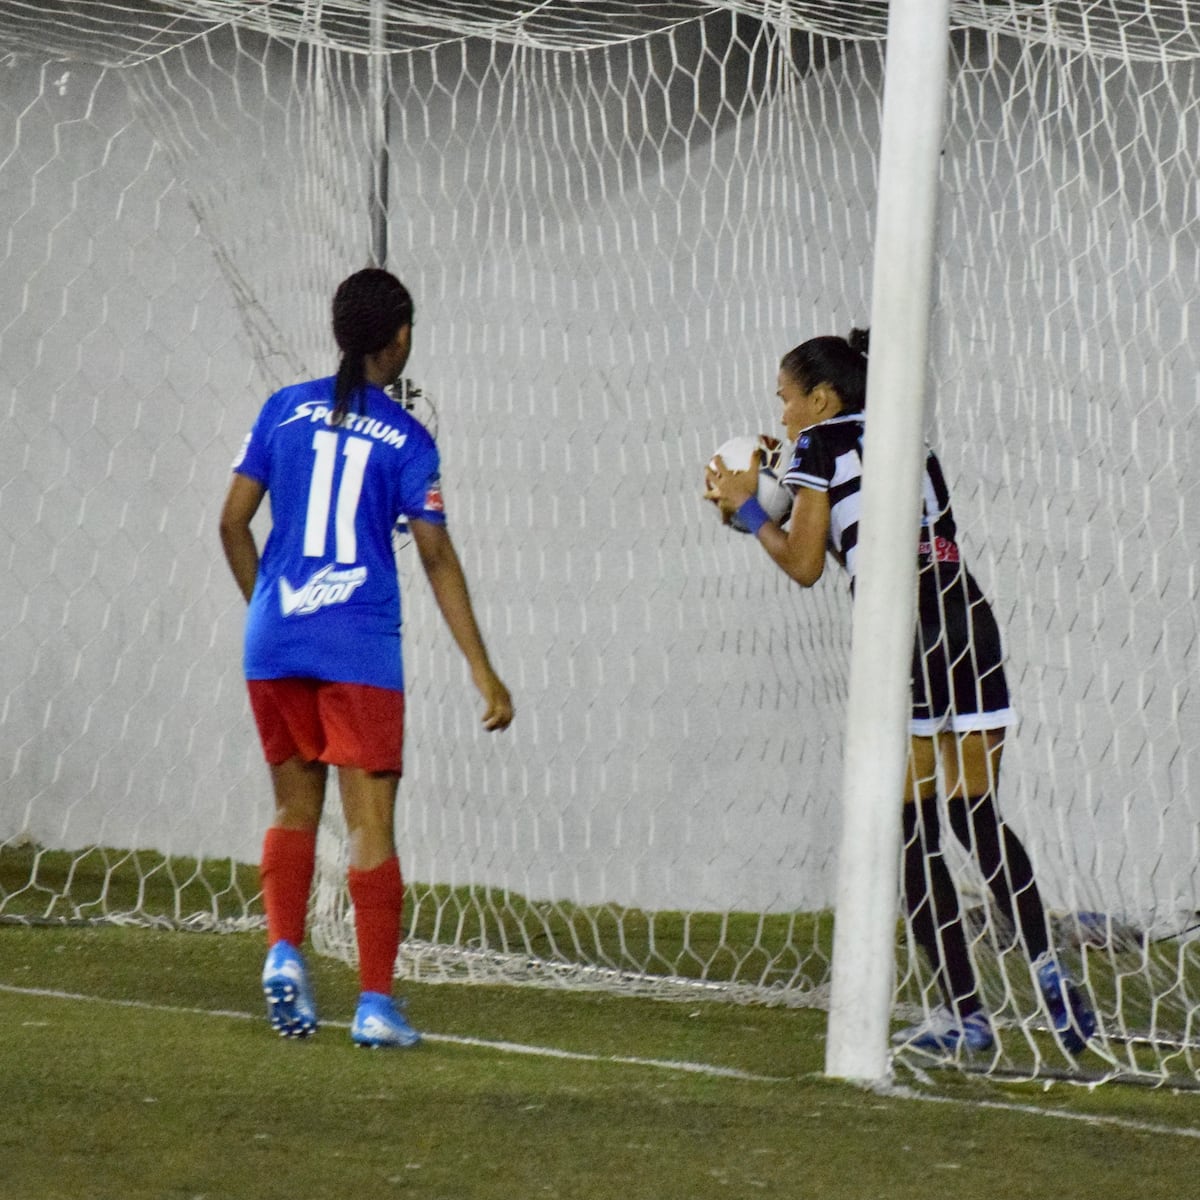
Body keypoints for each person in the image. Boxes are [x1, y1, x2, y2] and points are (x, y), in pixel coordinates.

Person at [704, 328, 1096, 1056]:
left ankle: (965, 1014)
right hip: (967, 613)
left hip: (903, 628)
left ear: (821, 398)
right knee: (975, 811)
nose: (783, 413)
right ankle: (1048, 965)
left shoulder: (819, 446)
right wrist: (775, 474)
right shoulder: (912, 440)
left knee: (912, 831)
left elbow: (804, 563)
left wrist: (749, 506)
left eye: (786, 400)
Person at [219, 267, 513, 1049]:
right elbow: (437, 556)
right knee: (370, 824)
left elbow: (232, 524)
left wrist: (268, 606)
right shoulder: (409, 439)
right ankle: (376, 1005)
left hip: (275, 640)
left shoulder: (282, 409)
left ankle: (284, 949)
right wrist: (481, 668)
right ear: (402, 337)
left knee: (292, 808)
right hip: (359, 647)